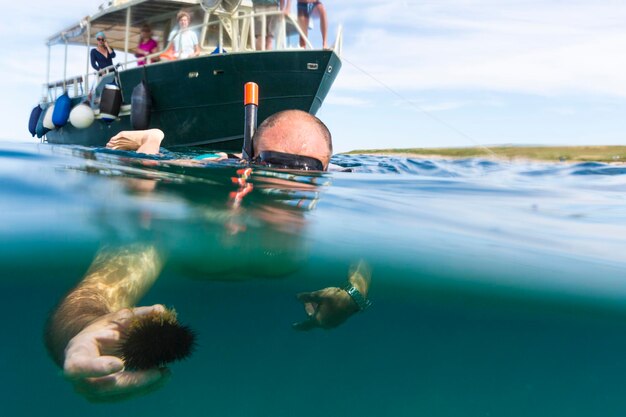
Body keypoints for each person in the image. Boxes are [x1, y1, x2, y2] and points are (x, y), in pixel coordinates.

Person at [45, 110, 371, 402]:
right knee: (142, 183)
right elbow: (93, 293)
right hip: (195, 167)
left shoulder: (334, 220)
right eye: (271, 174)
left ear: (326, 177)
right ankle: (150, 143)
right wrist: (81, 333)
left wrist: (354, 294)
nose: (286, 194)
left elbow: (361, 254)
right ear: (250, 165)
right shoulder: (179, 225)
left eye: (306, 180)